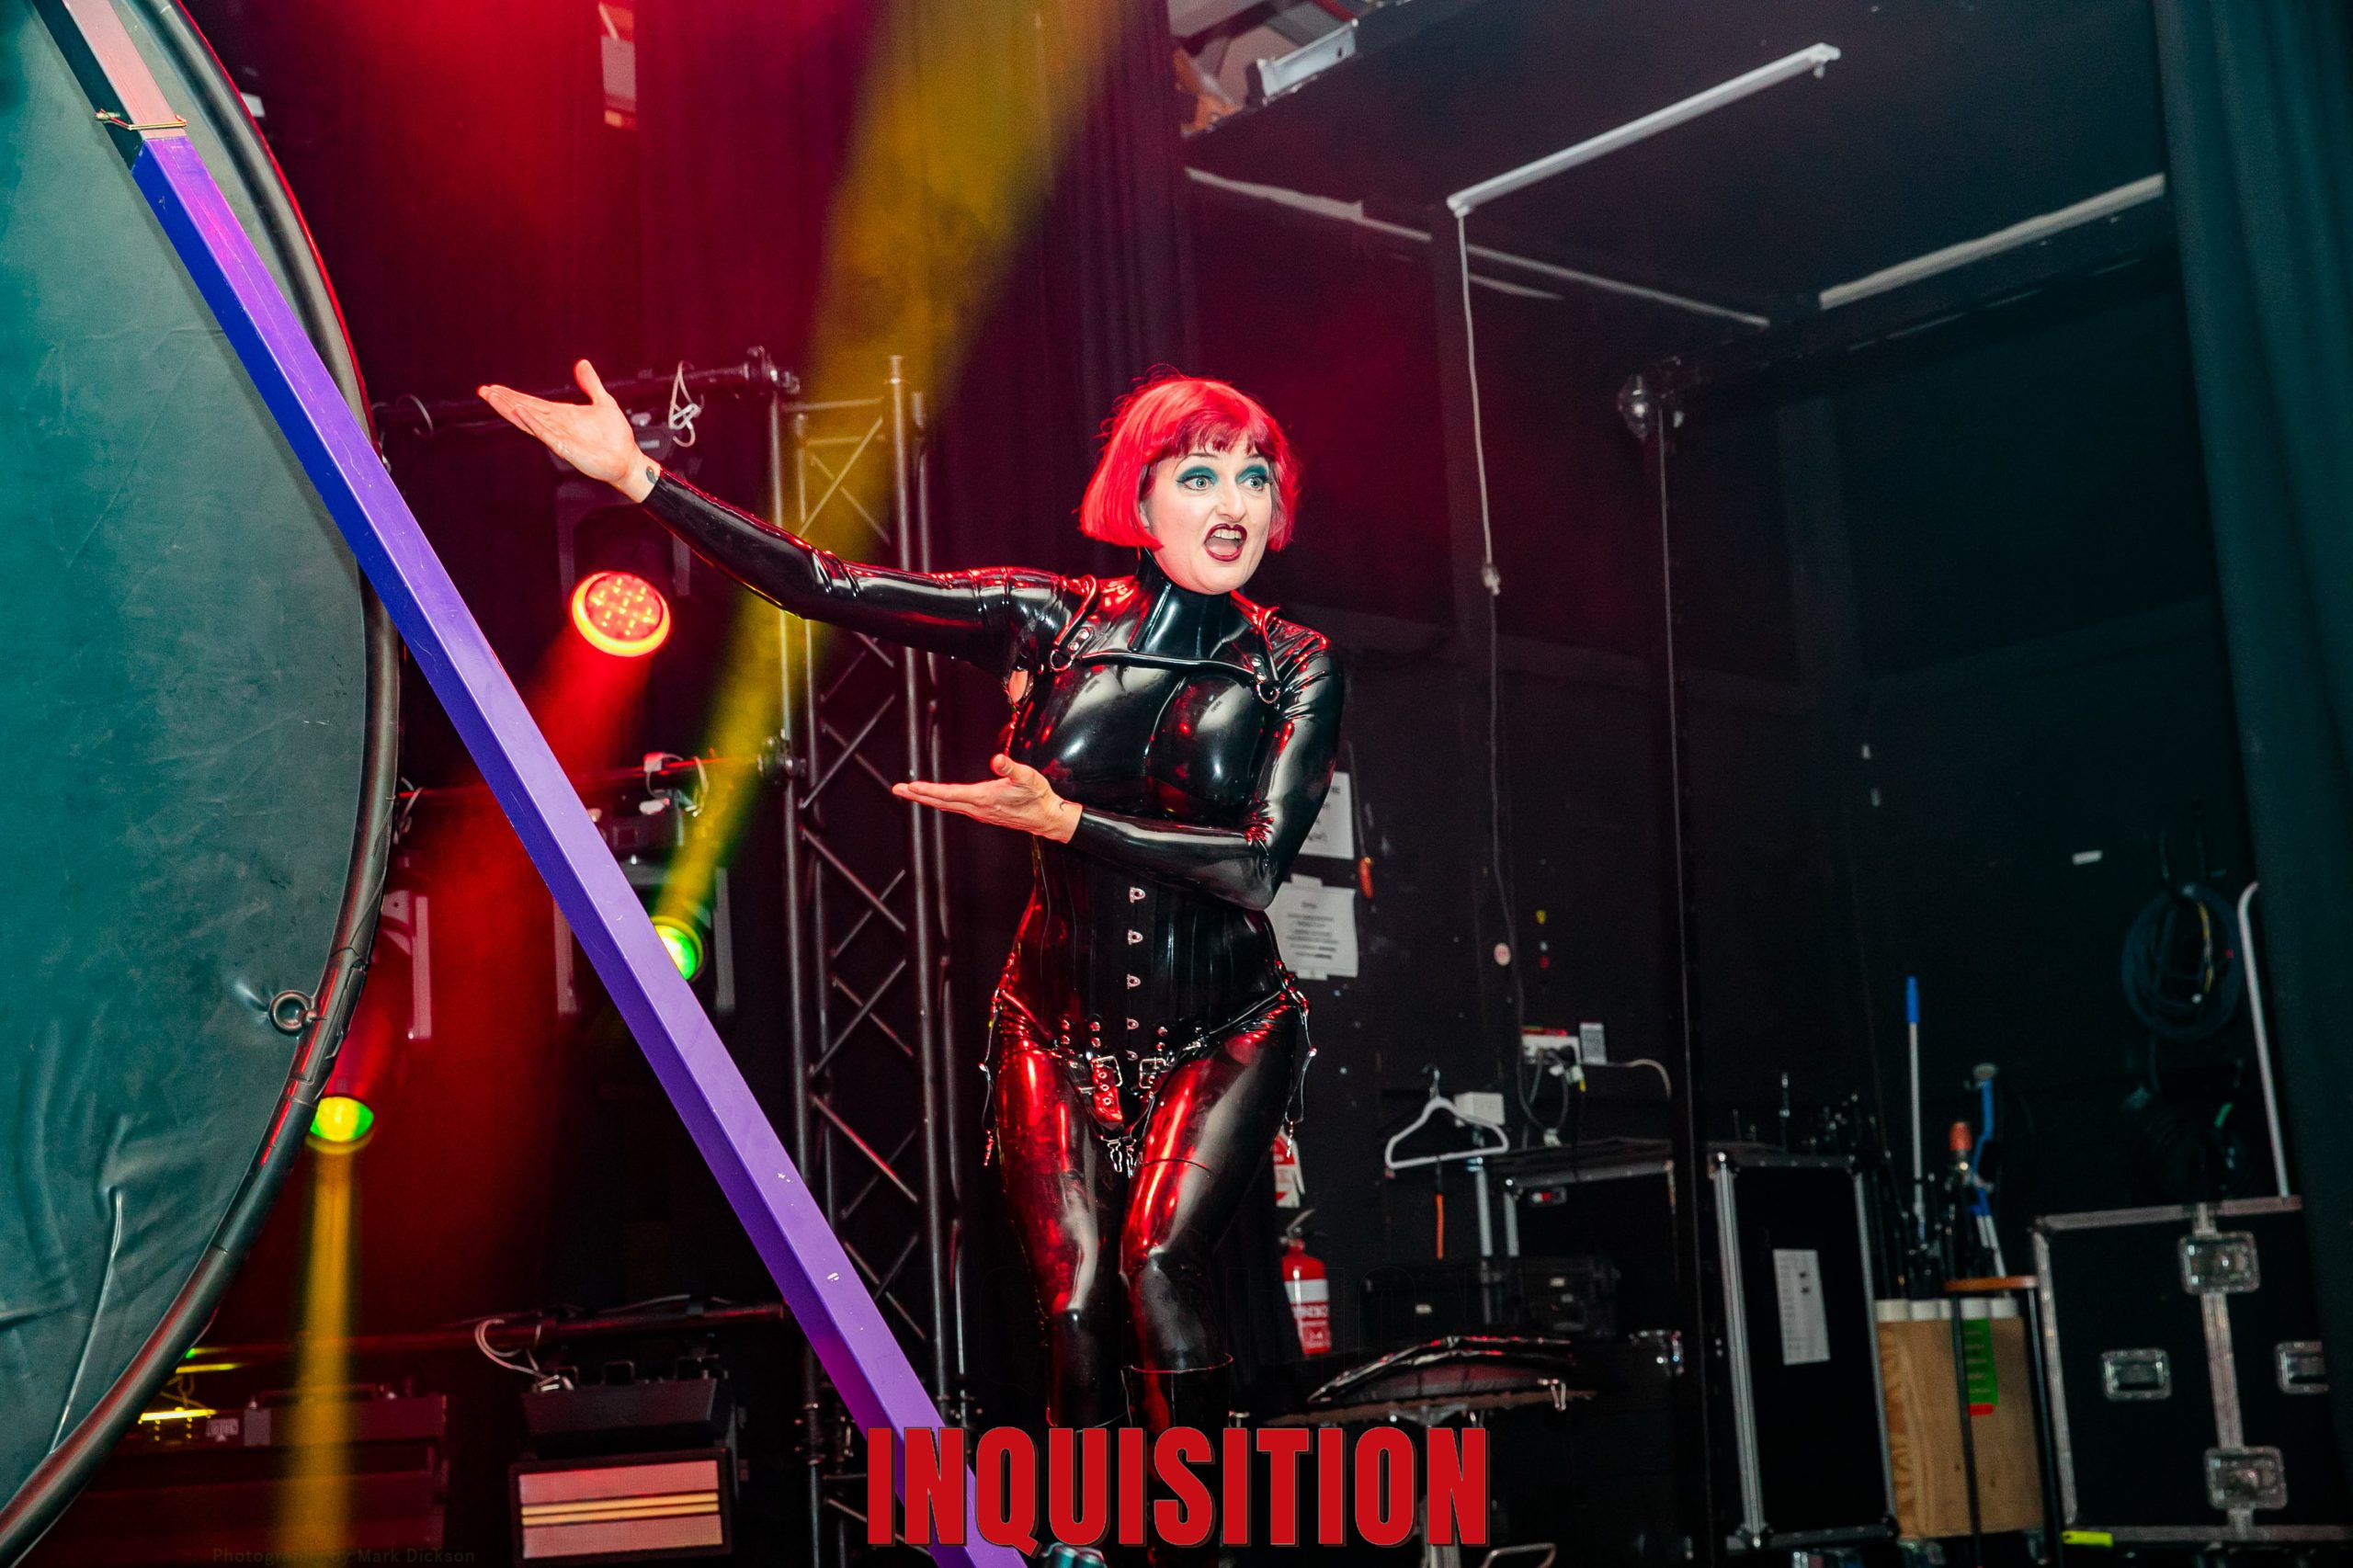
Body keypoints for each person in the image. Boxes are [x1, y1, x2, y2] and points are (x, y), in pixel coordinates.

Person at [480, 363, 1343, 1561]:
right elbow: (830, 585)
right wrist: (641, 481)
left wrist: (1067, 822)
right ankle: (1081, 1543)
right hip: (1054, 1022)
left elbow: (1254, 869)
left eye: (1255, 476)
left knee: (1156, 1260)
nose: (1234, 499)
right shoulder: (1050, 617)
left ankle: (1201, 1542)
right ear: (1140, 499)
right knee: (1073, 1296)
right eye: (1200, 474)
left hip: (1225, 1027)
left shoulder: (1297, 660)